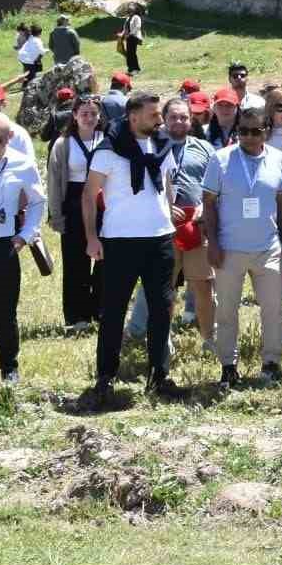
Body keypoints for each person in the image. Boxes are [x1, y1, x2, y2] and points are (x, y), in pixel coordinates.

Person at [84, 91, 181, 406]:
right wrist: (92, 238)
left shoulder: (163, 145)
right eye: (153, 114)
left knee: (161, 310)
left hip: (160, 239)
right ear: (133, 116)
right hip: (120, 240)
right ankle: (105, 377)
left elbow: (165, 184)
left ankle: (159, 375)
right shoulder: (108, 150)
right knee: (112, 311)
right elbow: (88, 195)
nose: (159, 119)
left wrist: (169, 212)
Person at [202, 102, 282, 383]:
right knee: (227, 310)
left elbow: (281, 204)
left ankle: (271, 362)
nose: (249, 137)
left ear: (266, 131)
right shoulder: (220, 159)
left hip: (268, 249)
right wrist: (214, 244)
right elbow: (208, 203)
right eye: (243, 131)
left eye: (255, 131)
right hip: (229, 249)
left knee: (272, 309)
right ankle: (228, 366)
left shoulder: (279, 159)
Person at [0, 112, 44, 383]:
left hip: (2, 246)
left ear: (10, 138)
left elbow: (39, 201)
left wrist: (26, 234)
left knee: (4, 313)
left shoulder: (23, 164)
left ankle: (9, 369)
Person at [47, 93, 104, 333]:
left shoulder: (108, 139)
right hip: (74, 201)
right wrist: (56, 215)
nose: (89, 118)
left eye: (93, 114)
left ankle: (100, 307)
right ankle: (76, 315)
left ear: (99, 116)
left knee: (106, 258)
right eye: (84, 114)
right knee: (75, 261)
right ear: (74, 116)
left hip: (104, 203)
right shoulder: (63, 143)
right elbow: (52, 181)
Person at [162, 97, 215, 354]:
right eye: (173, 117)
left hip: (197, 224)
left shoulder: (204, 148)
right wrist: (163, 206)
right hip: (164, 227)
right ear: (164, 119)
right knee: (165, 286)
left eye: (183, 117)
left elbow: (216, 183)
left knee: (204, 284)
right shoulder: (153, 147)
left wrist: (206, 208)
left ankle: (209, 338)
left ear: (191, 119)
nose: (179, 121)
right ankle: (164, 338)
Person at [121, 4, 144, 74]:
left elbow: (138, 27)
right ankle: (130, 68)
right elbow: (125, 27)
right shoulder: (128, 18)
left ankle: (136, 69)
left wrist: (130, 34)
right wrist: (122, 34)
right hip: (128, 38)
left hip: (134, 37)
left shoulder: (136, 17)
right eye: (129, 10)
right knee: (128, 53)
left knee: (132, 53)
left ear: (134, 11)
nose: (129, 12)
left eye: (131, 10)